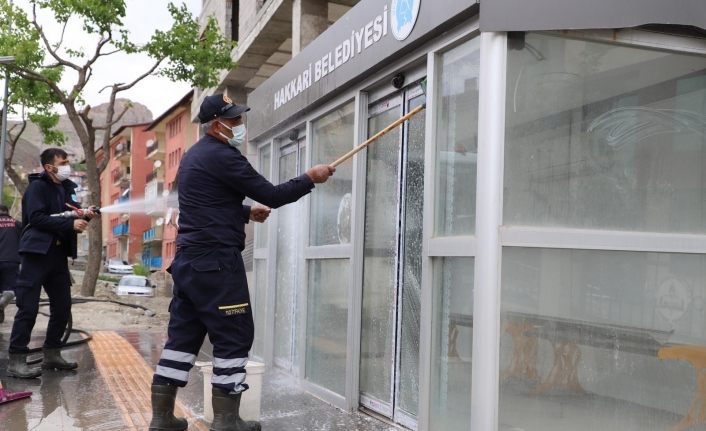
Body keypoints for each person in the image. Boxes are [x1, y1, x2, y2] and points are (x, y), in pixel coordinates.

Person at [148, 94, 335, 431]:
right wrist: (310, 178)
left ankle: (161, 419)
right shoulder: (224, 157)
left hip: (189, 263)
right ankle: (226, 420)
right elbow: (275, 194)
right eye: (233, 120)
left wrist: (246, 211)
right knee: (234, 336)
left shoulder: (192, 157)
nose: (239, 126)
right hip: (217, 263)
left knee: (182, 339)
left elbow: (204, 203)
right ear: (217, 124)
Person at [6, 148, 97, 379]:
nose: (68, 166)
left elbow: (72, 215)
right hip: (36, 253)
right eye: (63, 162)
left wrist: (86, 215)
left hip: (57, 255)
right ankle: (17, 360)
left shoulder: (67, 189)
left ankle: (52, 354)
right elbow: (35, 218)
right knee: (28, 308)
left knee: (62, 307)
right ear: (49, 167)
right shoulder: (37, 187)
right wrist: (69, 225)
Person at [0, 204, 21, 324]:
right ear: (7, 211)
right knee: (9, 290)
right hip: (11, 260)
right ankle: (1, 305)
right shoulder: (16, 224)